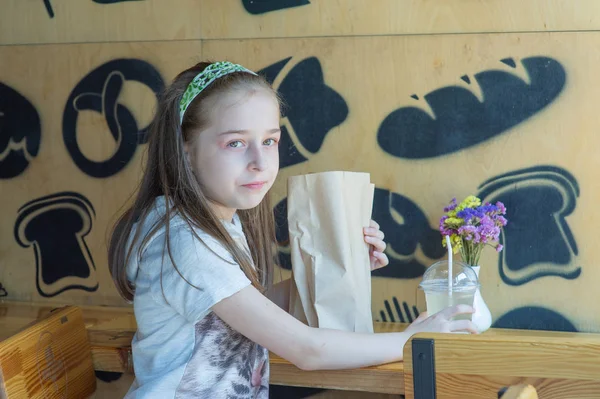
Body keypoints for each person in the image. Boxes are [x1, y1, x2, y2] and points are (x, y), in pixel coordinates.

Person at [108, 61, 477, 398]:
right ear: (186, 150)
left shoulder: (210, 219)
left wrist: (340, 263)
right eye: (235, 143)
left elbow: (244, 314)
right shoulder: (188, 243)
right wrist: (410, 341)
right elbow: (307, 350)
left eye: (269, 140)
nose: (259, 161)